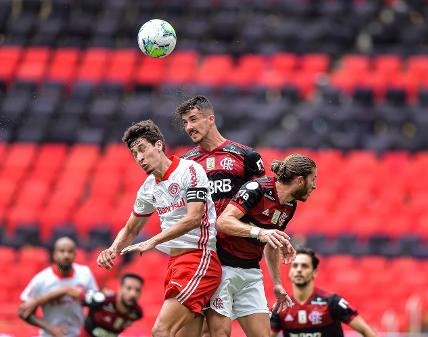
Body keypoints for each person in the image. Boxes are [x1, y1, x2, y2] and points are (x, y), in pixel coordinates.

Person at [96, 119, 222, 337]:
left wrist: (153, 241)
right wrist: (112, 250)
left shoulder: (189, 170)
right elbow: (131, 229)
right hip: (176, 264)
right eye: (135, 154)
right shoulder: (148, 188)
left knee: (161, 330)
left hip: (199, 259)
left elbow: (194, 218)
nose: (140, 158)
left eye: (142, 149)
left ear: (159, 145)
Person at [176, 95, 266, 336]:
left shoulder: (246, 156)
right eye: (185, 122)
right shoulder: (186, 164)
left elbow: (263, 203)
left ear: (211, 118)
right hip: (209, 258)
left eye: (193, 120)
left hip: (244, 259)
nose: (189, 127)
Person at [208, 154, 317, 337]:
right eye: (312, 179)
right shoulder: (256, 189)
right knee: (219, 334)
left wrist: (277, 284)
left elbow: (270, 242)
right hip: (223, 268)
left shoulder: (290, 205)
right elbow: (223, 221)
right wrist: (260, 232)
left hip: (250, 272)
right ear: (300, 180)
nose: (314, 185)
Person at [270, 248, 379, 337]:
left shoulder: (332, 302)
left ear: (314, 273)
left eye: (304, 266)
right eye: (295, 266)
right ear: (290, 272)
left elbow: (366, 331)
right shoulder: (281, 308)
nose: (299, 269)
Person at [20, 273, 144, 337]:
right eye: (129, 288)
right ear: (120, 288)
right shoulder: (100, 300)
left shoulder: (137, 313)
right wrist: (36, 301)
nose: (132, 293)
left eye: (137, 290)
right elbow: (68, 290)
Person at [19, 237, 98, 337]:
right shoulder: (42, 279)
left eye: (70, 251)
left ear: (75, 254)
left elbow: (96, 303)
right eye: (62, 251)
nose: (66, 255)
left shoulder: (85, 273)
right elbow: (22, 312)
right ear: (54, 255)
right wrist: (50, 328)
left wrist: (83, 296)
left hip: (78, 333)